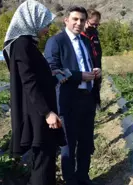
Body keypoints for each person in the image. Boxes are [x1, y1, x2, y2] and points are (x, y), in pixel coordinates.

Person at [2, 1, 65, 184]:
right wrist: (47, 112)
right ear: (32, 20)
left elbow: (36, 78)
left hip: (40, 113)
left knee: (45, 161)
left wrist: (54, 75)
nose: (47, 29)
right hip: (38, 116)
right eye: (45, 24)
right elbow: (28, 82)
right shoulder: (22, 44)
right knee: (42, 165)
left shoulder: (27, 44)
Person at [44, 6, 101, 185]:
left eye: (82, 20)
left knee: (86, 143)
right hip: (68, 101)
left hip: (87, 98)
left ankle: (83, 177)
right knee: (69, 146)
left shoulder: (84, 42)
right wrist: (79, 76)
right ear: (66, 20)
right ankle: (70, 180)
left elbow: (86, 64)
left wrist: (94, 72)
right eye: (75, 19)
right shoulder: (56, 41)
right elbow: (52, 71)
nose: (79, 23)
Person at [81, 9, 102, 106]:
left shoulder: (95, 35)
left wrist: (99, 68)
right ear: (85, 20)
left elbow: (98, 53)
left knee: (95, 93)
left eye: (97, 25)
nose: (94, 27)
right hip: (84, 75)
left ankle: (97, 106)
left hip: (96, 71)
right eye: (93, 24)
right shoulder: (79, 37)